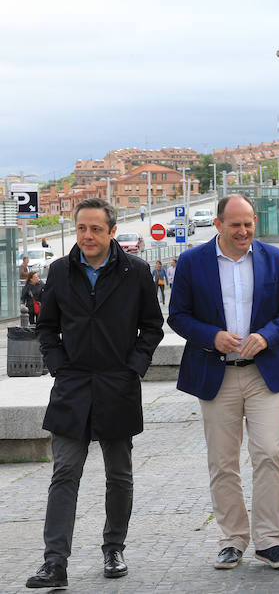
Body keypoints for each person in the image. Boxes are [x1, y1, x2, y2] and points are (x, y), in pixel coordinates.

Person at [26, 197, 164, 589]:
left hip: (117, 385)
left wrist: (133, 368)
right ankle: (54, 562)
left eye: (96, 229)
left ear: (111, 231)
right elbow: (47, 326)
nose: (87, 236)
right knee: (64, 472)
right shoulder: (59, 271)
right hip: (72, 387)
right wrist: (58, 366)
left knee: (119, 475)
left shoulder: (134, 272)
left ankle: (113, 547)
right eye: (82, 228)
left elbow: (152, 327)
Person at [168, 194, 279, 570]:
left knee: (270, 454)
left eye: (248, 224)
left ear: (254, 222)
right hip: (216, 372)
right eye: (235, 225)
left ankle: (269, 540)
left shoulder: (275, 258)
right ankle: (232, 539)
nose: (243, 231)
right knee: (223, 462)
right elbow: (177, 315)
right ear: (218, 225)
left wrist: (268, 335)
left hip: (263, 373)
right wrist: (211, 336)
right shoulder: (193, 262)